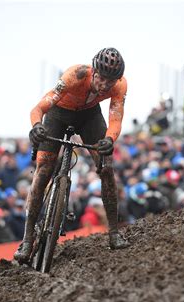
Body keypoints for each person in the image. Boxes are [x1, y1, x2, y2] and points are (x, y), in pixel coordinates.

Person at [14, 47, 130, 263]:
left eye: (110, 81)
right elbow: (38, 108)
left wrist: (109, 139)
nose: (105, 85)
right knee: (43, 171)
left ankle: (114, 234)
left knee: (106, 168)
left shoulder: (120, 85)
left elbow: (115, 118)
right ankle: (27, 239)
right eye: (102, 78)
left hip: (89, 116)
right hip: (59, 113)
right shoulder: (75, 75)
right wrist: (37, 126)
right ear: (94, 71)